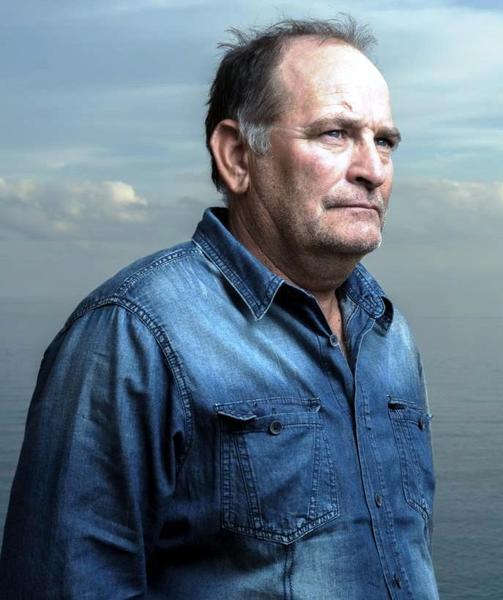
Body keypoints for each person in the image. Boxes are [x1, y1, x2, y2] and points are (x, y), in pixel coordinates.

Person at [0, 17, 439, 599]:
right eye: (335, 133)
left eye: (384, 141)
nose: (373, 170)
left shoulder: (388, 331)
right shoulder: (133, 332)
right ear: (237, 156)